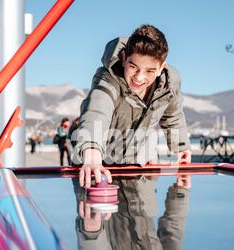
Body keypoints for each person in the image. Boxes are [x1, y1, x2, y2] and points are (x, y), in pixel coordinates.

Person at [72, 25, 191, 187]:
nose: (139, 77)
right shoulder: (108, 78)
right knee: (96, 210)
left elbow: (173, 116)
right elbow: (97, 110)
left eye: (149, 71)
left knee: (144, 210)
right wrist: (92, 152)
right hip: (97, 167)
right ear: (123, 57)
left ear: (161, 68)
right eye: (133, 66)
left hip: (140, 168)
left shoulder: (169, 84)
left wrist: (181, 147)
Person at [73, 174, 191, 250]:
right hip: (137, 181)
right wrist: (180, 191)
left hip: (98, 183)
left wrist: (92, 231)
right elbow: (172, 230)